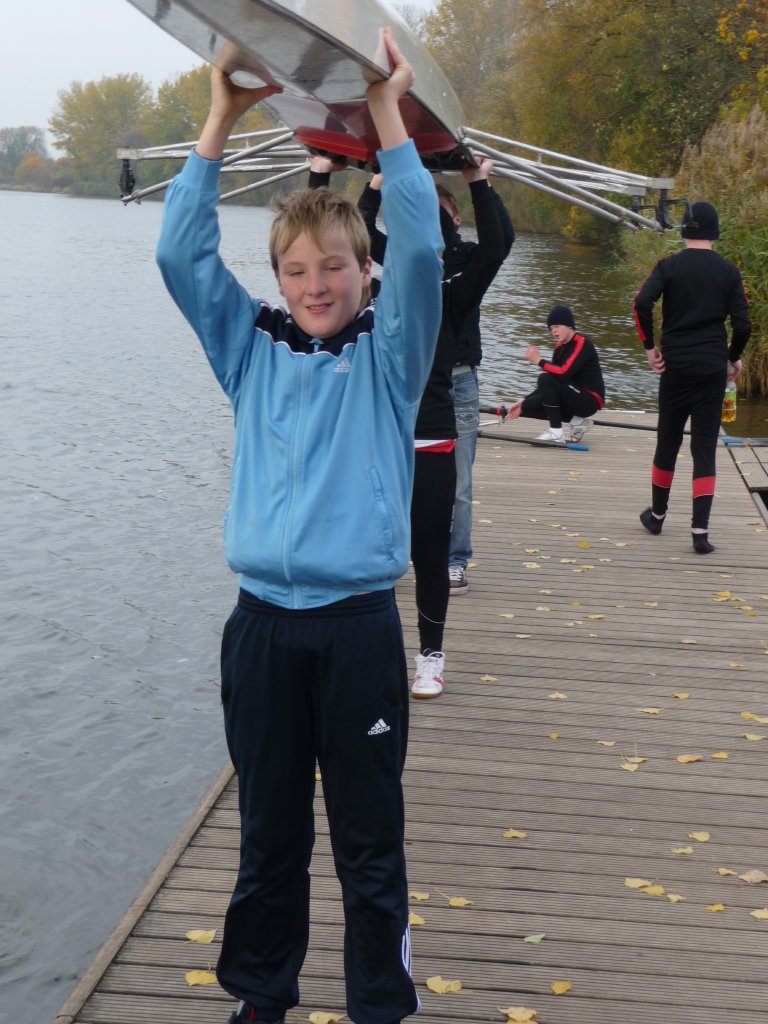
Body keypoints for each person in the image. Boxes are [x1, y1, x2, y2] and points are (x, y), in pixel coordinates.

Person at [156, 28, 443, 1024]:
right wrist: (220, 117)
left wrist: (387, 110)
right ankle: (260, 998)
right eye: (295, 269)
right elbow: (180, 254)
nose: (315, 284)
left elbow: (423, 248)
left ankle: (380, 1006)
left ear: (365, 272)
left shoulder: (391, 357)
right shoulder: (248, 350)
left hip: (357, 630)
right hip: (263, 631)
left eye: (334, 267)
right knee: (268, 835)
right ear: (277, 278)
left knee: (368, 839)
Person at [357, 161, 511, 698]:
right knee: (374, 557)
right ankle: (376, 654)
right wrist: (376, 182)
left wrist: (478, 182)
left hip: (433, 438)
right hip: (381, 440)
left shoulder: (453, 296)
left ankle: (430, 657)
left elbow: (496, 247)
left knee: (428, 553)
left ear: (441, 250)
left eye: (434, 247)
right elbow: (353, 232)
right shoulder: (376, 293)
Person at [633, 200, 751, 553]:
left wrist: (649, 348)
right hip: (712, 369)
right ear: (715, 232)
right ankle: (700, 532)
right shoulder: (729, 272)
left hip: (675, 367)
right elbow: (743, 325)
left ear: (684, 229)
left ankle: (657, 516)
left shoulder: (668, 266)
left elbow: (641, 303)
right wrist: (733, 357)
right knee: (704, 449)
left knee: (667, 441)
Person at [439, 184, 515, 596]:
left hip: (460, 379)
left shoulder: (470, 258)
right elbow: (362, 230)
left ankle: (455, 560)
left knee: (459, 484)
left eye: (444, 214)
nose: (437, 221)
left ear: (457, 219)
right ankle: (397, 554)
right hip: (416, 382)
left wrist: (482, 184)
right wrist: (377, 185)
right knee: (401, 475)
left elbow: (502, 241)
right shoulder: (404, 257)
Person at [507, 305, 605, 442]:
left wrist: (538, 360)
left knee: (544, 378)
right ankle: (578, 421)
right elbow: (551, 383)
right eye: (551, 328)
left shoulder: (582, 343)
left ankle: (556, 432)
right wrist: (524, 401)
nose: (554, 331)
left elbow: (564, 372)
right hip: (573, 395)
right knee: (528, 406)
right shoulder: (559, 348)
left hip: (590, 400)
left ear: (569, 325)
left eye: (557, 326)